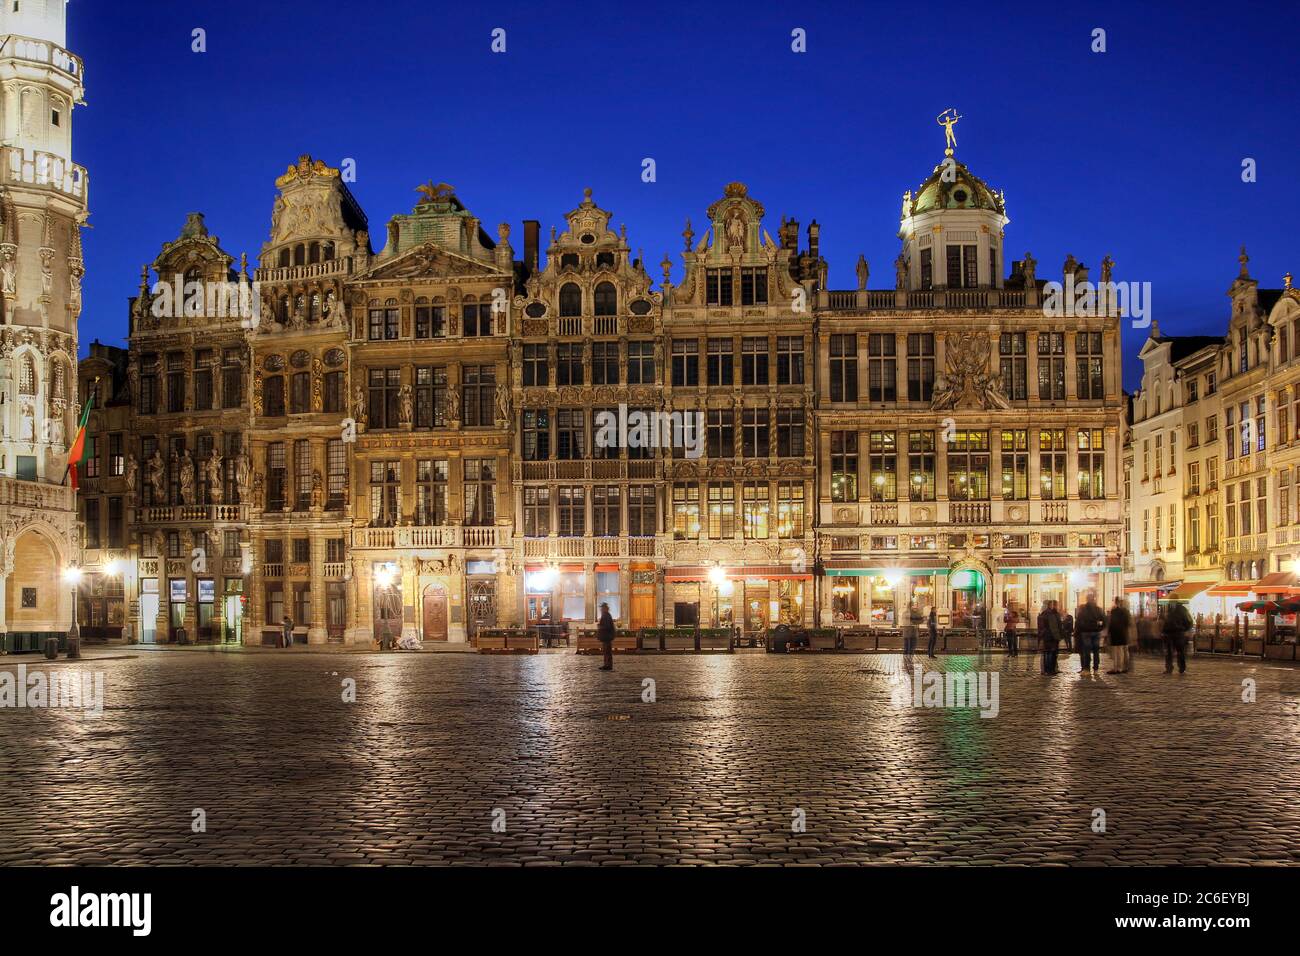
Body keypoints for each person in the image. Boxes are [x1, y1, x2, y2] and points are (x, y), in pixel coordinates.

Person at [1075, 592, 1106, 674]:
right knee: (1096, 651)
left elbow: (1079, 620)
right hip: (1095, 632)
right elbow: (1104, 620)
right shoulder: (1098, 609)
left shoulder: (1083, 609)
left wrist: (1081, 628)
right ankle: (1096, 669)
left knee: (1087, 650)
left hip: (1086, 632)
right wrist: (1099, 628)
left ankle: (1087, 669)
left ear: (1087, 599)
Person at [1162, 599, 1193, 674]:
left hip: (1177, 633)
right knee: (1171, 652)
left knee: (1178, 652)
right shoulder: (1169, 609)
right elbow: (1165, 621)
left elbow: (1189, 621)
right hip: (1172, 633)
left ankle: (1180, 668)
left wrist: (1184, 629)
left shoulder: (1180, 609)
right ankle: (1171, 668)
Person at [1106, 597, 1133, 674]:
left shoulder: (1114, 611)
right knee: (1123, 651)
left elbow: (1112, 623)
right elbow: (1128, 623)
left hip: (1116, 633)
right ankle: (1124, 667)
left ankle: (1117, 668)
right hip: (1123, 633)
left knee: (1117, 651)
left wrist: (1109, 633)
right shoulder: (1126, 611)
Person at [1037, 600, 1061, 674]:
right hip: (1050, 636)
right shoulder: (1049, 614)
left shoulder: (1045, 613)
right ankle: (1049, 670)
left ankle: (1049, 669)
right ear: (1051, 605)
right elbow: (1053, 627)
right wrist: (1057, 636)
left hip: (1048, 636)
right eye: (1056, 605)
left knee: (1049, 653)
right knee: (1050, 653)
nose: (1058, 607)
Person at [596, 602, 616, 671]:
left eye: (601, 608)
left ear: (604, 608)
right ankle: (606, 665)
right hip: (606, 636)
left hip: (607, 636)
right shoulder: (606, 615)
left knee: (607, 651)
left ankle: (608, 665)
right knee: (606, 651)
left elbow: (607, 626)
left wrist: (600, 626)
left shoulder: (606, 615)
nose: (600, 609)